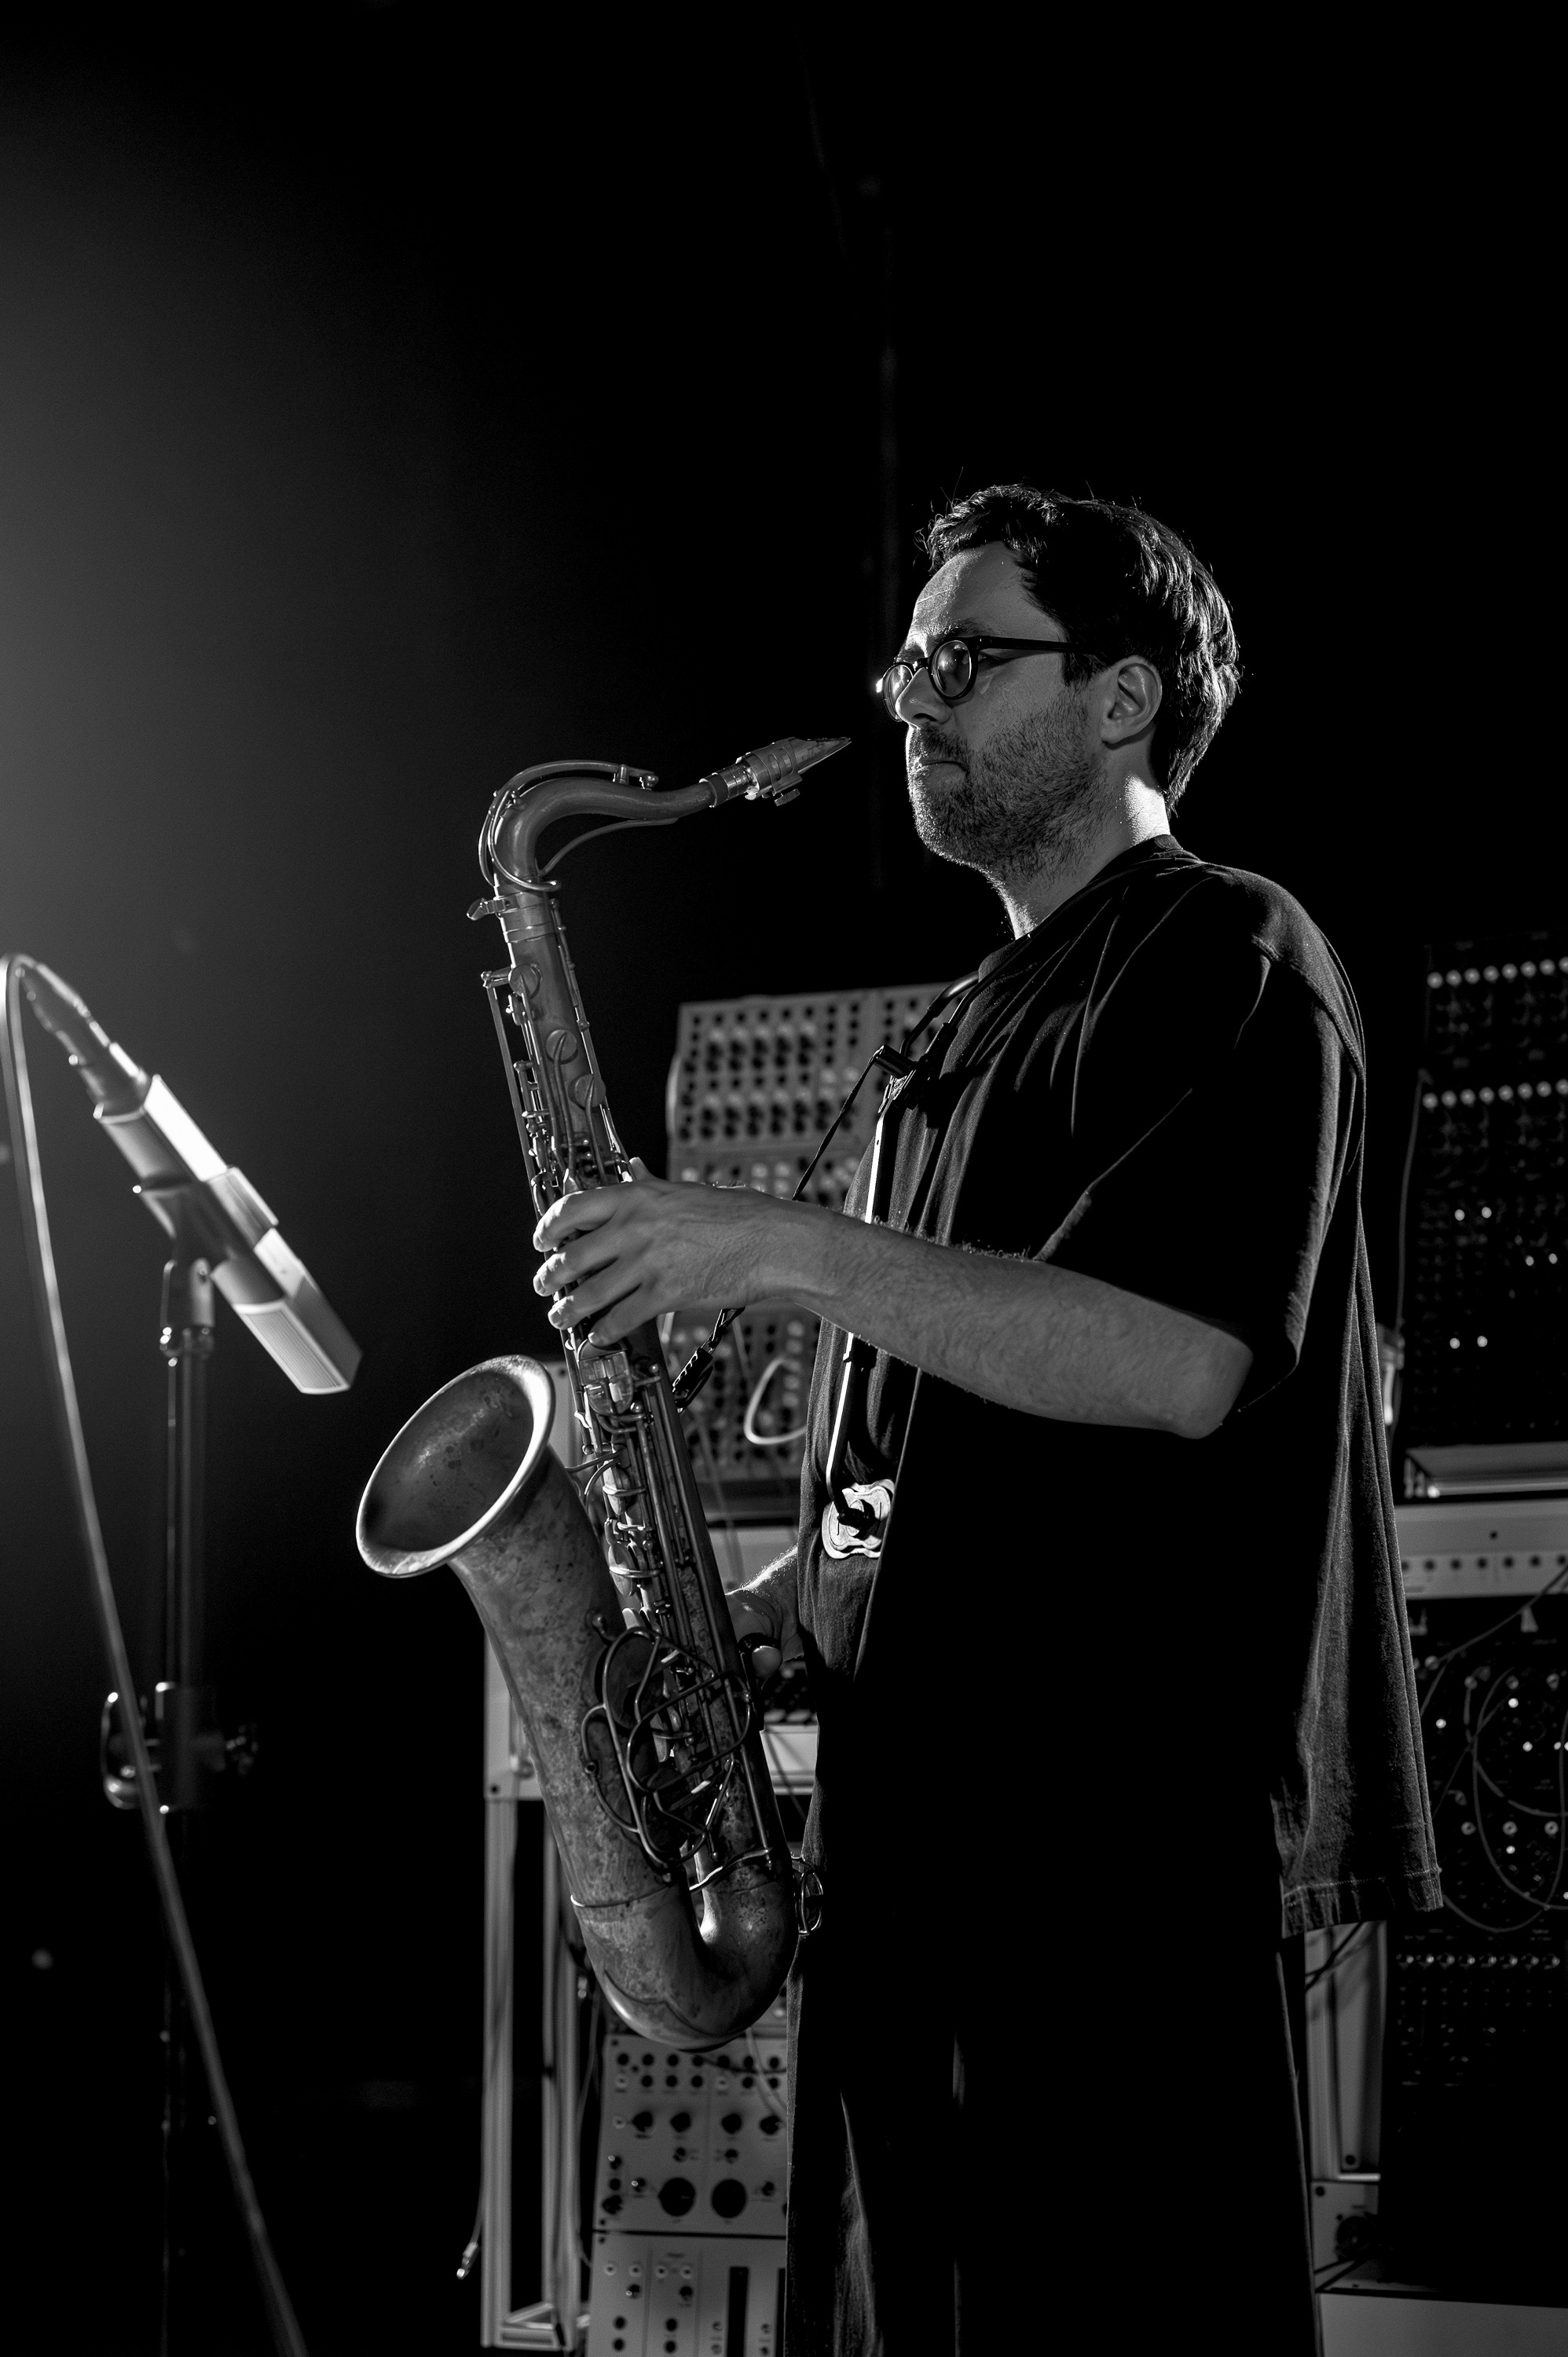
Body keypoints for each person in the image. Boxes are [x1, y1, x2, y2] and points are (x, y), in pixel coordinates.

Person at [533, 485, 1441, 2355]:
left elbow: (1182, 1364)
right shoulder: (952, 1028)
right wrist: (785, 1595)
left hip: (1108, 1879)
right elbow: (939, 1447)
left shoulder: (1226, 950)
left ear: (1120, 696)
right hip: (925, 1862)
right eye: (903, 667)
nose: (907, 704)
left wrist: (772, 1248)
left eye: (960, 661)